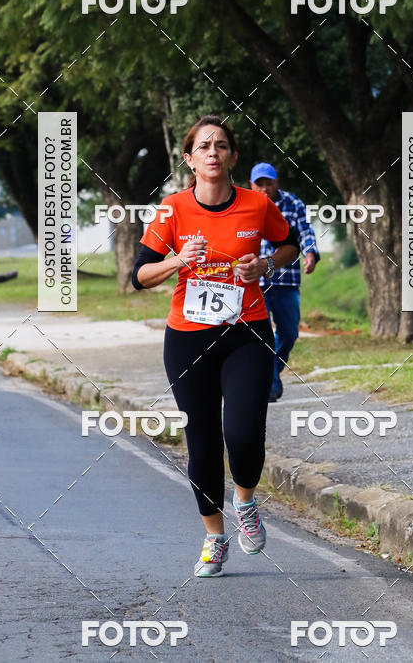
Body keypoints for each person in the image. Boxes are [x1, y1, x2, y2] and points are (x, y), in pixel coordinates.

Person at [131, 115, 300, 577]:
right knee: (202, 442)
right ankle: (213, 537)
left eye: (221, 145)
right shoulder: (171, 210)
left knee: (243, 433)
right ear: (189, 159)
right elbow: (139, 275)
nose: (212, 152)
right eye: (203, 146)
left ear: (232, 156)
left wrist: (265, 265)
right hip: (188, 339)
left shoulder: (256, 204)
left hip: (247, 333)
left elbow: (289, 244)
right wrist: (177, 261)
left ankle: (245, 502)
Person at [250, 163, 320, 402]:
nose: (264, 188)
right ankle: (269, 385)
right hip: (256, 281)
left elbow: (306, 231)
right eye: (259, 184)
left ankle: (271, 372)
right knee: (261, 335)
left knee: (289, 333)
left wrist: (310, 253)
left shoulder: (293, 203)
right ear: (251, 185)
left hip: (287, 278)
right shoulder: (245, 204)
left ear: (277, 183)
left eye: (268, 183)